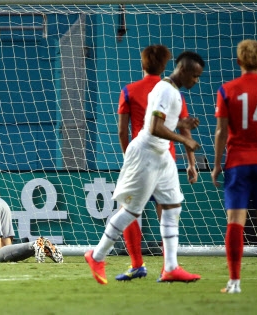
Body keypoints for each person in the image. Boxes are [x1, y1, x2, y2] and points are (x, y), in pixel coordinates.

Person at [85, 50, 205, 285]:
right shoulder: (164, 89)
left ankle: (171, 268)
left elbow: (162, 121)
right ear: (184, 70)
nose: (196, 81)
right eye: (196, 76)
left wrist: (182, 124)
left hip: (162, 156)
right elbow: (154, 127)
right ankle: (96, 256)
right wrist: (185, 139)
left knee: (172, 207)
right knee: (131, 211)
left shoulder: (173, 92)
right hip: (147, 153)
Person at [115, 45, 198, 281]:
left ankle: (136, 264)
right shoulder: (173, 92)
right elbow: (185, 127)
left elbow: (122, 131)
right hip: (166, 161)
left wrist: (127, 158)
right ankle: (167, 267)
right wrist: (191, 163)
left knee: (128, 211)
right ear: (165, 67)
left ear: (142, 64)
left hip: (140, 160)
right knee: (167, 214)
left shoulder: (129, 91)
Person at [211, 39, 257, 294]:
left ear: (238, 61)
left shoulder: (227, 90)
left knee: (235, 221)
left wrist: (218, 164)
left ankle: (234, 283)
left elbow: (221, 131)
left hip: (237, 163)